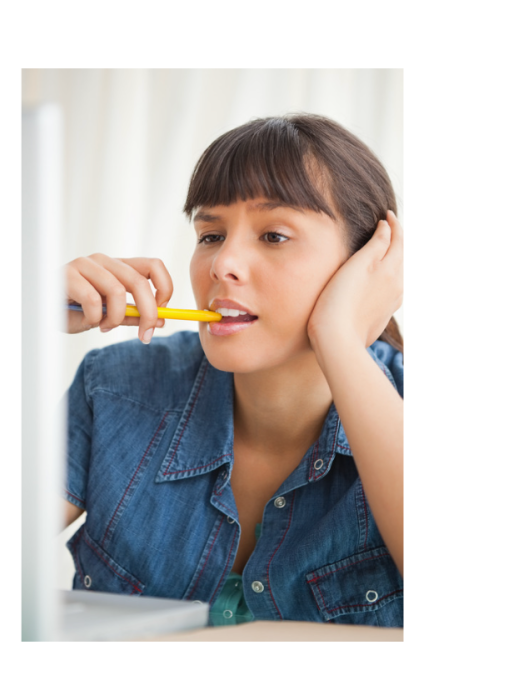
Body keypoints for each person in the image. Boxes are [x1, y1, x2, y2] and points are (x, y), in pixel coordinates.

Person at [60, 114, 404, 627]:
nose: (222, 264)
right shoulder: (115, 387)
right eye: (211, 235)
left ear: (367, 265)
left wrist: (339, 337)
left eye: (274, 236)